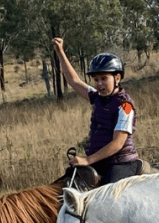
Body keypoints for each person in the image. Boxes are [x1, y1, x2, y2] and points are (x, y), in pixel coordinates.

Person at [51, 37, 141, 184]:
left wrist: (88, 160)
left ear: (117, 78)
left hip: (121, 164)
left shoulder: (126, 106)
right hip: (100, 160)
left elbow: (117, 144)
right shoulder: (98, 97)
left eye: (104, 78)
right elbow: (74, 81)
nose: (99, 84)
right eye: (96, 79)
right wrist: (60, 52)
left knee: (109, 198)